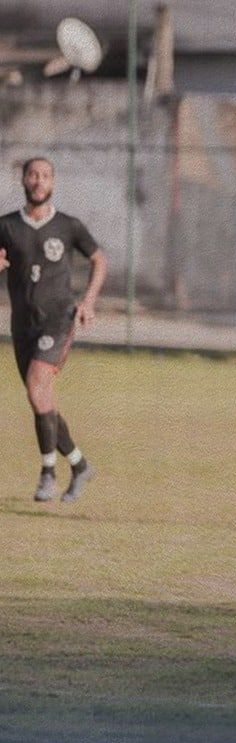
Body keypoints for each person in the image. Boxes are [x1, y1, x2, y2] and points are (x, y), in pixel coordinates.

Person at [0, 157, 106, 502]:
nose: (39, 180)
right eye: (33, 174)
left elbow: (99, 259)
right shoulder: (6, 226)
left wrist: (88, 301)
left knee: (37, 384)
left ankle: (47, 472)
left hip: (59, 319)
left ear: (53, 183)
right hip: (22, 325)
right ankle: (79, 464)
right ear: (24, 180)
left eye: (45, 175)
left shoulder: (68, 226)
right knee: (40, 398)